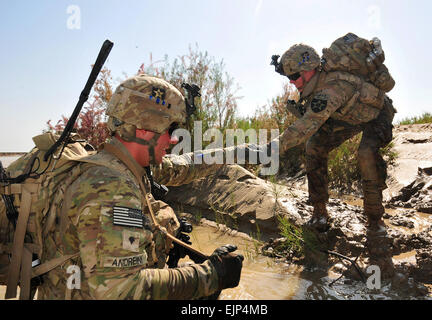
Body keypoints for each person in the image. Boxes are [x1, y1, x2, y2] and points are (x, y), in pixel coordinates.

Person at [36, 74, 243, 299]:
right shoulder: (112, 187)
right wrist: (211, 274)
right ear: (145, 128)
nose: (173, 140)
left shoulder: (113, 167)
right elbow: (122, 290)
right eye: (170, 129)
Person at [266, 42, 397, 275]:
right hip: (347, 117)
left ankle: (376, 223)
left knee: (366, 154)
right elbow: (311, 128)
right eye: (288, 77)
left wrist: (273, 147)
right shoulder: (317, 87)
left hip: (377, 115)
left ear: (310, 69)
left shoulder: (334, 87)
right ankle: (319, 214)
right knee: (314, 146)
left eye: (295, 75)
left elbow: (305, 125)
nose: (292, 81)